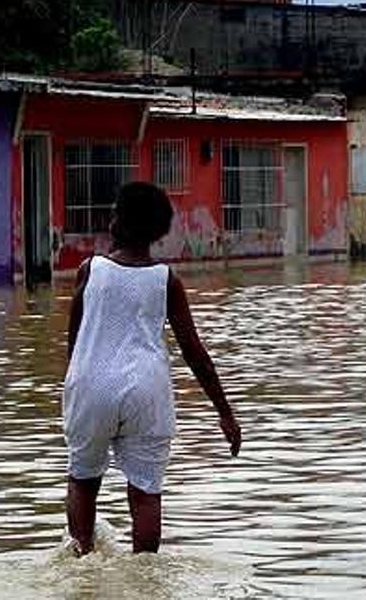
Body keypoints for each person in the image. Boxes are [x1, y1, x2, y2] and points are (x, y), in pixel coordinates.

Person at [64, 182, 241, 555]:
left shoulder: (89, 269)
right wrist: (225, 412)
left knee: (83, 481)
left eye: (115, 212)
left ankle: (80, 564)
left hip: (89, 384)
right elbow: (195, 352)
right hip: (147, 390)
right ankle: (145, 579)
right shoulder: (166, 280)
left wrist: (77, 388)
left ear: (119, 222)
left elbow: (75, 340)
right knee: (145, 493)